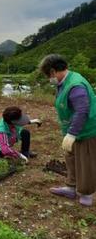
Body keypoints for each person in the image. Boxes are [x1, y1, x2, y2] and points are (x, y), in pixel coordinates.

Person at [39, 54, 96, 206]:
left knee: (86, 161)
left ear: (53, 71)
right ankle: (71, 187)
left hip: (86, 130)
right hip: (72, 128)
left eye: (47, 75)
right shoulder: (64, 82)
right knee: (71, 157)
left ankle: (87, 194)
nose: (48, 79)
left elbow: (82, 110)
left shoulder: (75, 85)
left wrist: (72, 133)